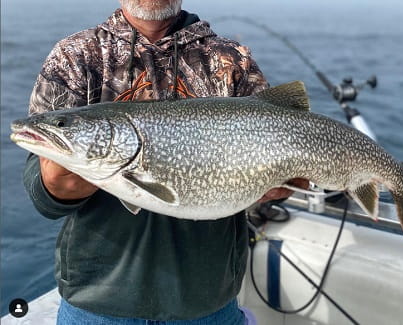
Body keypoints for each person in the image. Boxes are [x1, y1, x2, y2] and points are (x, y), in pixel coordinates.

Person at [24, 0, 308, 324]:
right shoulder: (76, 55)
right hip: (97, 304)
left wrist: (276, 184)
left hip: (207, 304)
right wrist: (56, 186)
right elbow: (41, 196)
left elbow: (271, 160)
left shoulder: (230, 60)